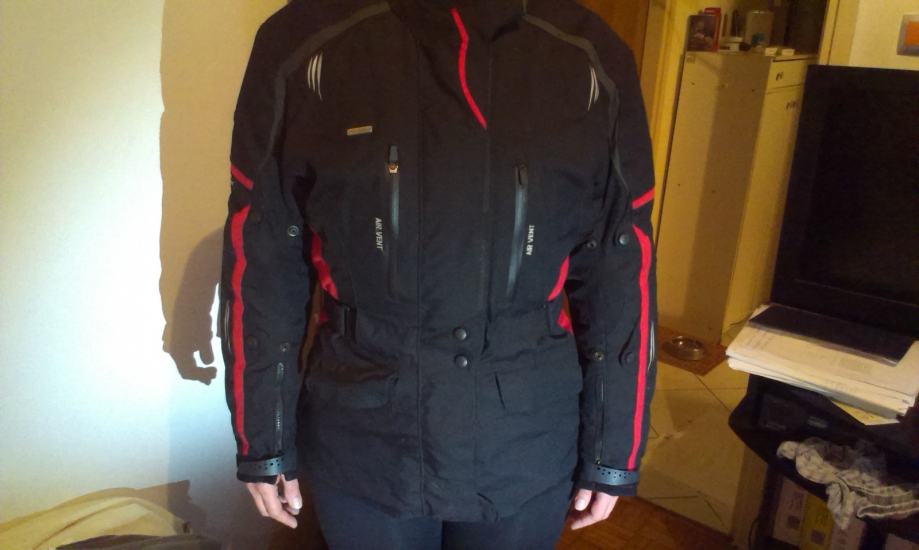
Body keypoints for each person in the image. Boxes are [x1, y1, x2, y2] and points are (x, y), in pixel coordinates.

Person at [219, 0, 657, 547]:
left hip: (523, 437)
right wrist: (264, 438)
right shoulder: (303, 42)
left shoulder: (589, 54)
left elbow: (620, 263)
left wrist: (614, 446)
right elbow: (263, 256)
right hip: (367, 439)